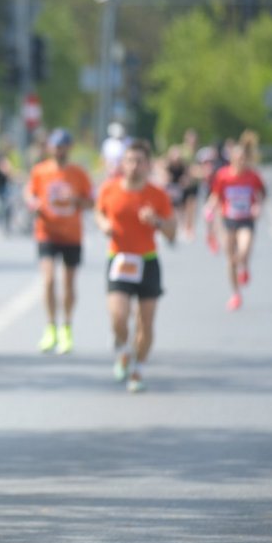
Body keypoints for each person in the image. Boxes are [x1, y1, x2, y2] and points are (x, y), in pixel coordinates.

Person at [94, 139, 176, 393]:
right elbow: (99, 212)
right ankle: (122, 350)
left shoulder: (157, 195)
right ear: (123, 163)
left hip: (147, 262)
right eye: (129, 160)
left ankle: (138, 369)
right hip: (119, 260)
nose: (134, 166)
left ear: (148, 165)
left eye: (139, 161)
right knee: (118, 317)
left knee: (145, 323)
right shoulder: (109, 189)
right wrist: (103, 225)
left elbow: (172, 232)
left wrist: (157, 222)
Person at [23, 128, 94, 355]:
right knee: (48, 280)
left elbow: (91, 203)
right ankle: (51, 326)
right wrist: (32, 203)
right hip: (47, 232)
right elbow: (30, 192)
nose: (59, 150)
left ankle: (67, 327)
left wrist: (75, 200)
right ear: (50, 148)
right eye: (55, 146)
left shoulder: (79, 173)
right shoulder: (40, 171)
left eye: (63, 146)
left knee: (68, 283)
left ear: (69, 148)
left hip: (72, 235)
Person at [203, 130, 266, 311]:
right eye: (237, 158)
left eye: (243, 159)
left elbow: (261, 194)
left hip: (246, 220)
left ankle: (244, 266)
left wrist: (257, 206)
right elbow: (215, 196)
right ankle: (235, 294)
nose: (241, 162)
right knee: (230, 259)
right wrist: (210, 208)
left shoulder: (252, 176)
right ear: (232, 159)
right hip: (228, 220)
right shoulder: (223, 175)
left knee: (244, 250)